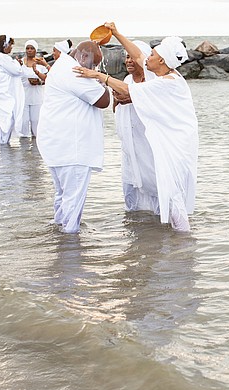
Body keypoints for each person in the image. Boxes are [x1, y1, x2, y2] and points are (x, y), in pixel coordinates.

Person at [76, 22, 198, 232]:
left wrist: (99, 76)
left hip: (176, 145)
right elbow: (138, 56)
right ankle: (175, 239)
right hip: (170, 142)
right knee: (167, 192)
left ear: (161, 60)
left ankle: (184, 241)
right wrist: (116, 33)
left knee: (172, 193)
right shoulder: (162, 73)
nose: (145, 58)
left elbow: (127, 88)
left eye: (151, 54)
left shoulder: (167, 83)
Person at [36, 41, 110, 234]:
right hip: (72, 148)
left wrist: (94, 77)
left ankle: (60, 239)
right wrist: (102, 80)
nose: (93, 69)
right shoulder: (75, 71)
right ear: (84, 57)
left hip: (57, 145)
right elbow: (103, 101)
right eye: (94, 65)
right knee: (73, 203)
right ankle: (69, 250)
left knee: (63, 197)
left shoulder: (61, 66)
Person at [112, 40, 162, 212]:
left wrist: (134, 98)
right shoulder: (126, 80)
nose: (129, 61)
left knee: (154, 187)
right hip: (129, 144)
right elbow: (116, 108)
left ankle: (164, 231)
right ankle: (136, 229)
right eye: (126, 57)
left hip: (148, 144)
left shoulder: (153, 82)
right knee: (130, 189)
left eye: (133, 57)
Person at [0, 35, 25, 145]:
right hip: (3, 94)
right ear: (4, 46)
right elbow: (16, 71)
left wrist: (15, 62)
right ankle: (4, 146)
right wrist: (17, 63)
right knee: (7, 119)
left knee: (6, 119)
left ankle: (4, 145)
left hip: (1, 92)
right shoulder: (2, 58)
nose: (11, 47)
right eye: (10, 45)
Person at [20, 40, 50, 138]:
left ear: (36, 50)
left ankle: (35, 151)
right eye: (27, 48)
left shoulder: (40, 63)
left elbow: (48, 79)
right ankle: (23, 150)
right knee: (23, 122)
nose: (29, 50)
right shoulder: (21, 63)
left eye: (32, 48)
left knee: (36, 122)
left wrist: (39, 82)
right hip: (23, 96)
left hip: (36, 97)